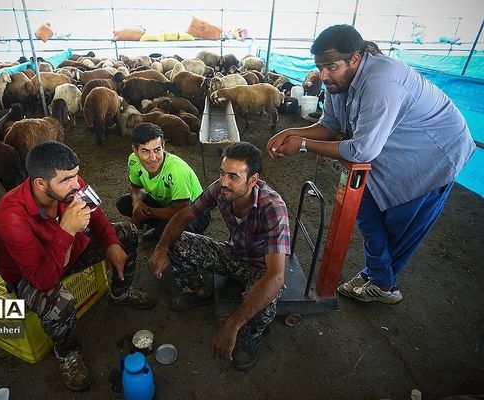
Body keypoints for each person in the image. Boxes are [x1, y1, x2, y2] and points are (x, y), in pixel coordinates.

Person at [267, 24, 475, 305]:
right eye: (320, 67)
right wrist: (292, 133)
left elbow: (363, 148)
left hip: (433, 153)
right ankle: (376, 275)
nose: (324, 76)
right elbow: (330, 124)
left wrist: (303, 145)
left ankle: (383, 284)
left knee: (401, 219)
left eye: (331, 67)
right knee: (366, 211)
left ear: (354, 59)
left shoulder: (382, 82)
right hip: (386, 147)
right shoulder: (338, 81)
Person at [0, 141, 156, 391]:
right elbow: (43, 280)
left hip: (70, 249)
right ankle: (67, 353)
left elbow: (97, 216)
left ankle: (120, 294)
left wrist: (111, 243)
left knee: (127, 233)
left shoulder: (70, 185)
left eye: (77, 175)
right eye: (67, 179)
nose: (77, 184)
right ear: (40, 183)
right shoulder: (9, 216)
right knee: (60, 302)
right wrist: (66, 229)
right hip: (31, 274)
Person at [148, 141, 290, 371]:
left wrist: (232, 324)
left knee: (266, 302)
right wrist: (162, 247)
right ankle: (198, 292)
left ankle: (249, 341)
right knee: (176, 242)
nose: (224, 182)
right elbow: (184, 215)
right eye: (222, 173)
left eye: (233, 177)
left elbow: (276, 276)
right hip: (233, 254)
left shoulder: (273, 208)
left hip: (260, 268)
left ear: (253, 180)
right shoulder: (220, 189)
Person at [116, 122, 210, 240]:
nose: (153, 158)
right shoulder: (133, 160)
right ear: (135, 150)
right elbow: (135, 187)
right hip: (165, 205)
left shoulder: (176, 169)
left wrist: (147, 211)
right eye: (145, 151)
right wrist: (137, 203)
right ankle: (162, 228)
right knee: (124, 203)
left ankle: (170, 231)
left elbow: (181, 210)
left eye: (157, 150)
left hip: (193, 212)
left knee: (180, 232)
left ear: (163, 146)